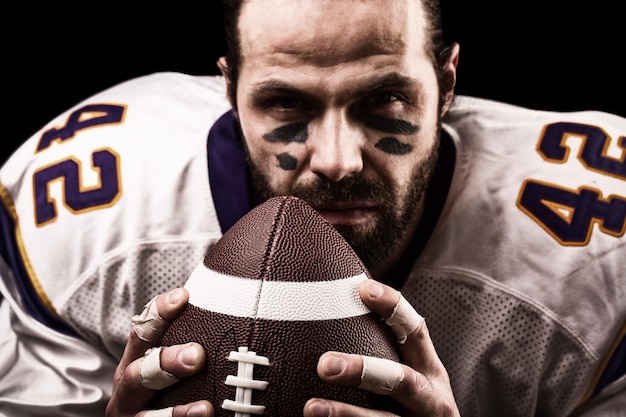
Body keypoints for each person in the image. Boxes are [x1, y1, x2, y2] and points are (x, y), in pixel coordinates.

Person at [0, 0, 624, 416]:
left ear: (448, 84)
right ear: (229, 90)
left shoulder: (598, 257)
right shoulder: (91, 219)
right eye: (286, 104)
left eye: (384, 97)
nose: (336, 160)